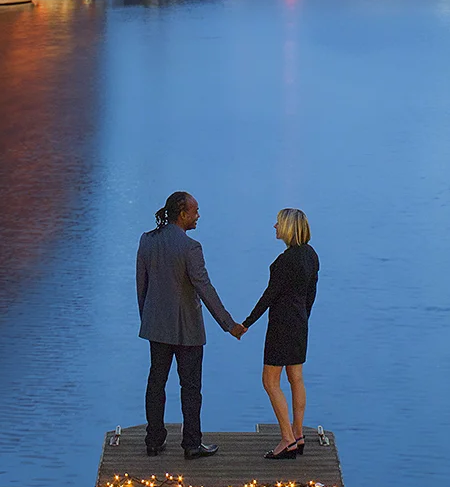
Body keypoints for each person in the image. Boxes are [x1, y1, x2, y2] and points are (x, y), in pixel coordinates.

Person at [136, 190, 245, 459]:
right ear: (182, 214)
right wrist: (229, 324)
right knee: (191, 387)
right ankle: (191, 444)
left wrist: (147, 317)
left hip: (156, 326)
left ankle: (154, 439)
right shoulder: (190, 247)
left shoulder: (147, 241)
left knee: (156, 383)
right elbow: (204, 288)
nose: (198, 216)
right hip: (188, 330)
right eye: (195, 211)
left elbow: (142, 285)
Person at [244, 208, 320, 458]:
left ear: (288, 227)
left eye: (278, 223)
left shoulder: (284, 261)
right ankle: (298, 434)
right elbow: (311, 294)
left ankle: (286, 438)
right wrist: (304, 318)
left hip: (281, 325)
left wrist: (246, 323)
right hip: (300, 322)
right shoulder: (311, 255)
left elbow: (269, 296)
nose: (274, 227)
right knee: (295, 377)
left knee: (270, 381)